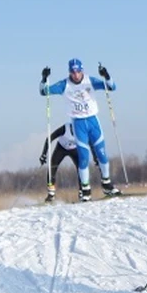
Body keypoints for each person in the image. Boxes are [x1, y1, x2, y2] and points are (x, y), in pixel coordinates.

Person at [39, 59, 122, 201]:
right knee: (83, 157)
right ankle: (85, 190)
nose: (76, 75)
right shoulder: (64, 84)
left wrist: (106, 75)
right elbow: (44, 91)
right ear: (69, 72)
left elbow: (112, 87)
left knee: (102, 154)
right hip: (78, 124)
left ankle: (107, 185)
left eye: (78, 71)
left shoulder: (90, 81)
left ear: (82, 70)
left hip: (93, 121)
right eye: (73, 72)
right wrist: (44, 78)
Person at [38, 122, 101, 203]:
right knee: (52, 168)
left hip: (75, 150)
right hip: (61, 148)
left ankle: (82, 193)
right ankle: (51, 194)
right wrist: (43, 154)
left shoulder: (83, 131)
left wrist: (96, 158)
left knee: (81, 170)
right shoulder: (65, 128)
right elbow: (49, 139)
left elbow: (91, 144)